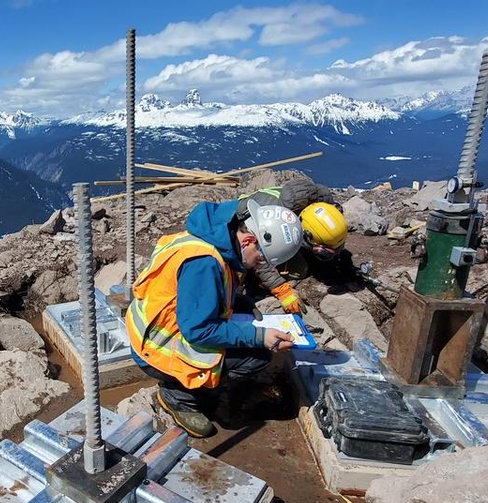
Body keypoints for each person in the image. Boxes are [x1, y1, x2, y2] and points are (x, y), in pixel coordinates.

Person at [126, 198, 304, 437]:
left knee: (249, 342)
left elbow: (203, 296)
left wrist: (242, 304)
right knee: (257, 356)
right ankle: (178, 396)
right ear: (249, 241)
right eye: (260, 258)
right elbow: (199, 330)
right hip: (159, 348)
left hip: (160, 330)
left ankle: (200, 386)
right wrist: (258, 336)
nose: (257, 266)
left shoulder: (216, 242)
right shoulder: (204, 264)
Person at [237, 178, 350, 312]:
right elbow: (259, 254)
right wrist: (280, 288)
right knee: (295, 269)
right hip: (244, 235)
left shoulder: (320, 203)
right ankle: (253, 285)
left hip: (279, 232)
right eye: (322, 253)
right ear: (305, 234)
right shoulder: (269, 222)